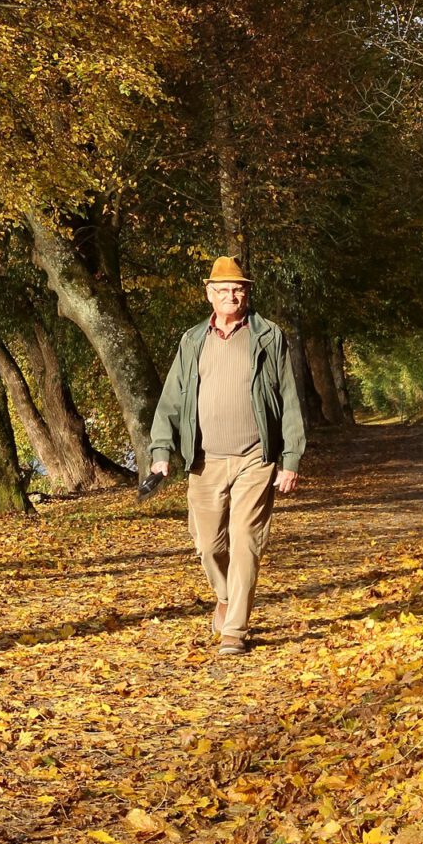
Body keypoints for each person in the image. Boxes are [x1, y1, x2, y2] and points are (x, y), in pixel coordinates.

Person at [148, 255, 306, 655]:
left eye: (238, 289)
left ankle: (235, 628)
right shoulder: (192, 340)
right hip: (205, 460)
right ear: (209, 295)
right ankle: (224, 595)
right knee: (207, 544)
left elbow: (289, 398)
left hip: (257, 458)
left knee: (245, 540)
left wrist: (290, 459)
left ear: (246, 293)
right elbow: (170, 399)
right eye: (223, 290)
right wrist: (161, 450)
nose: (231, 296)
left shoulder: (268, 336)